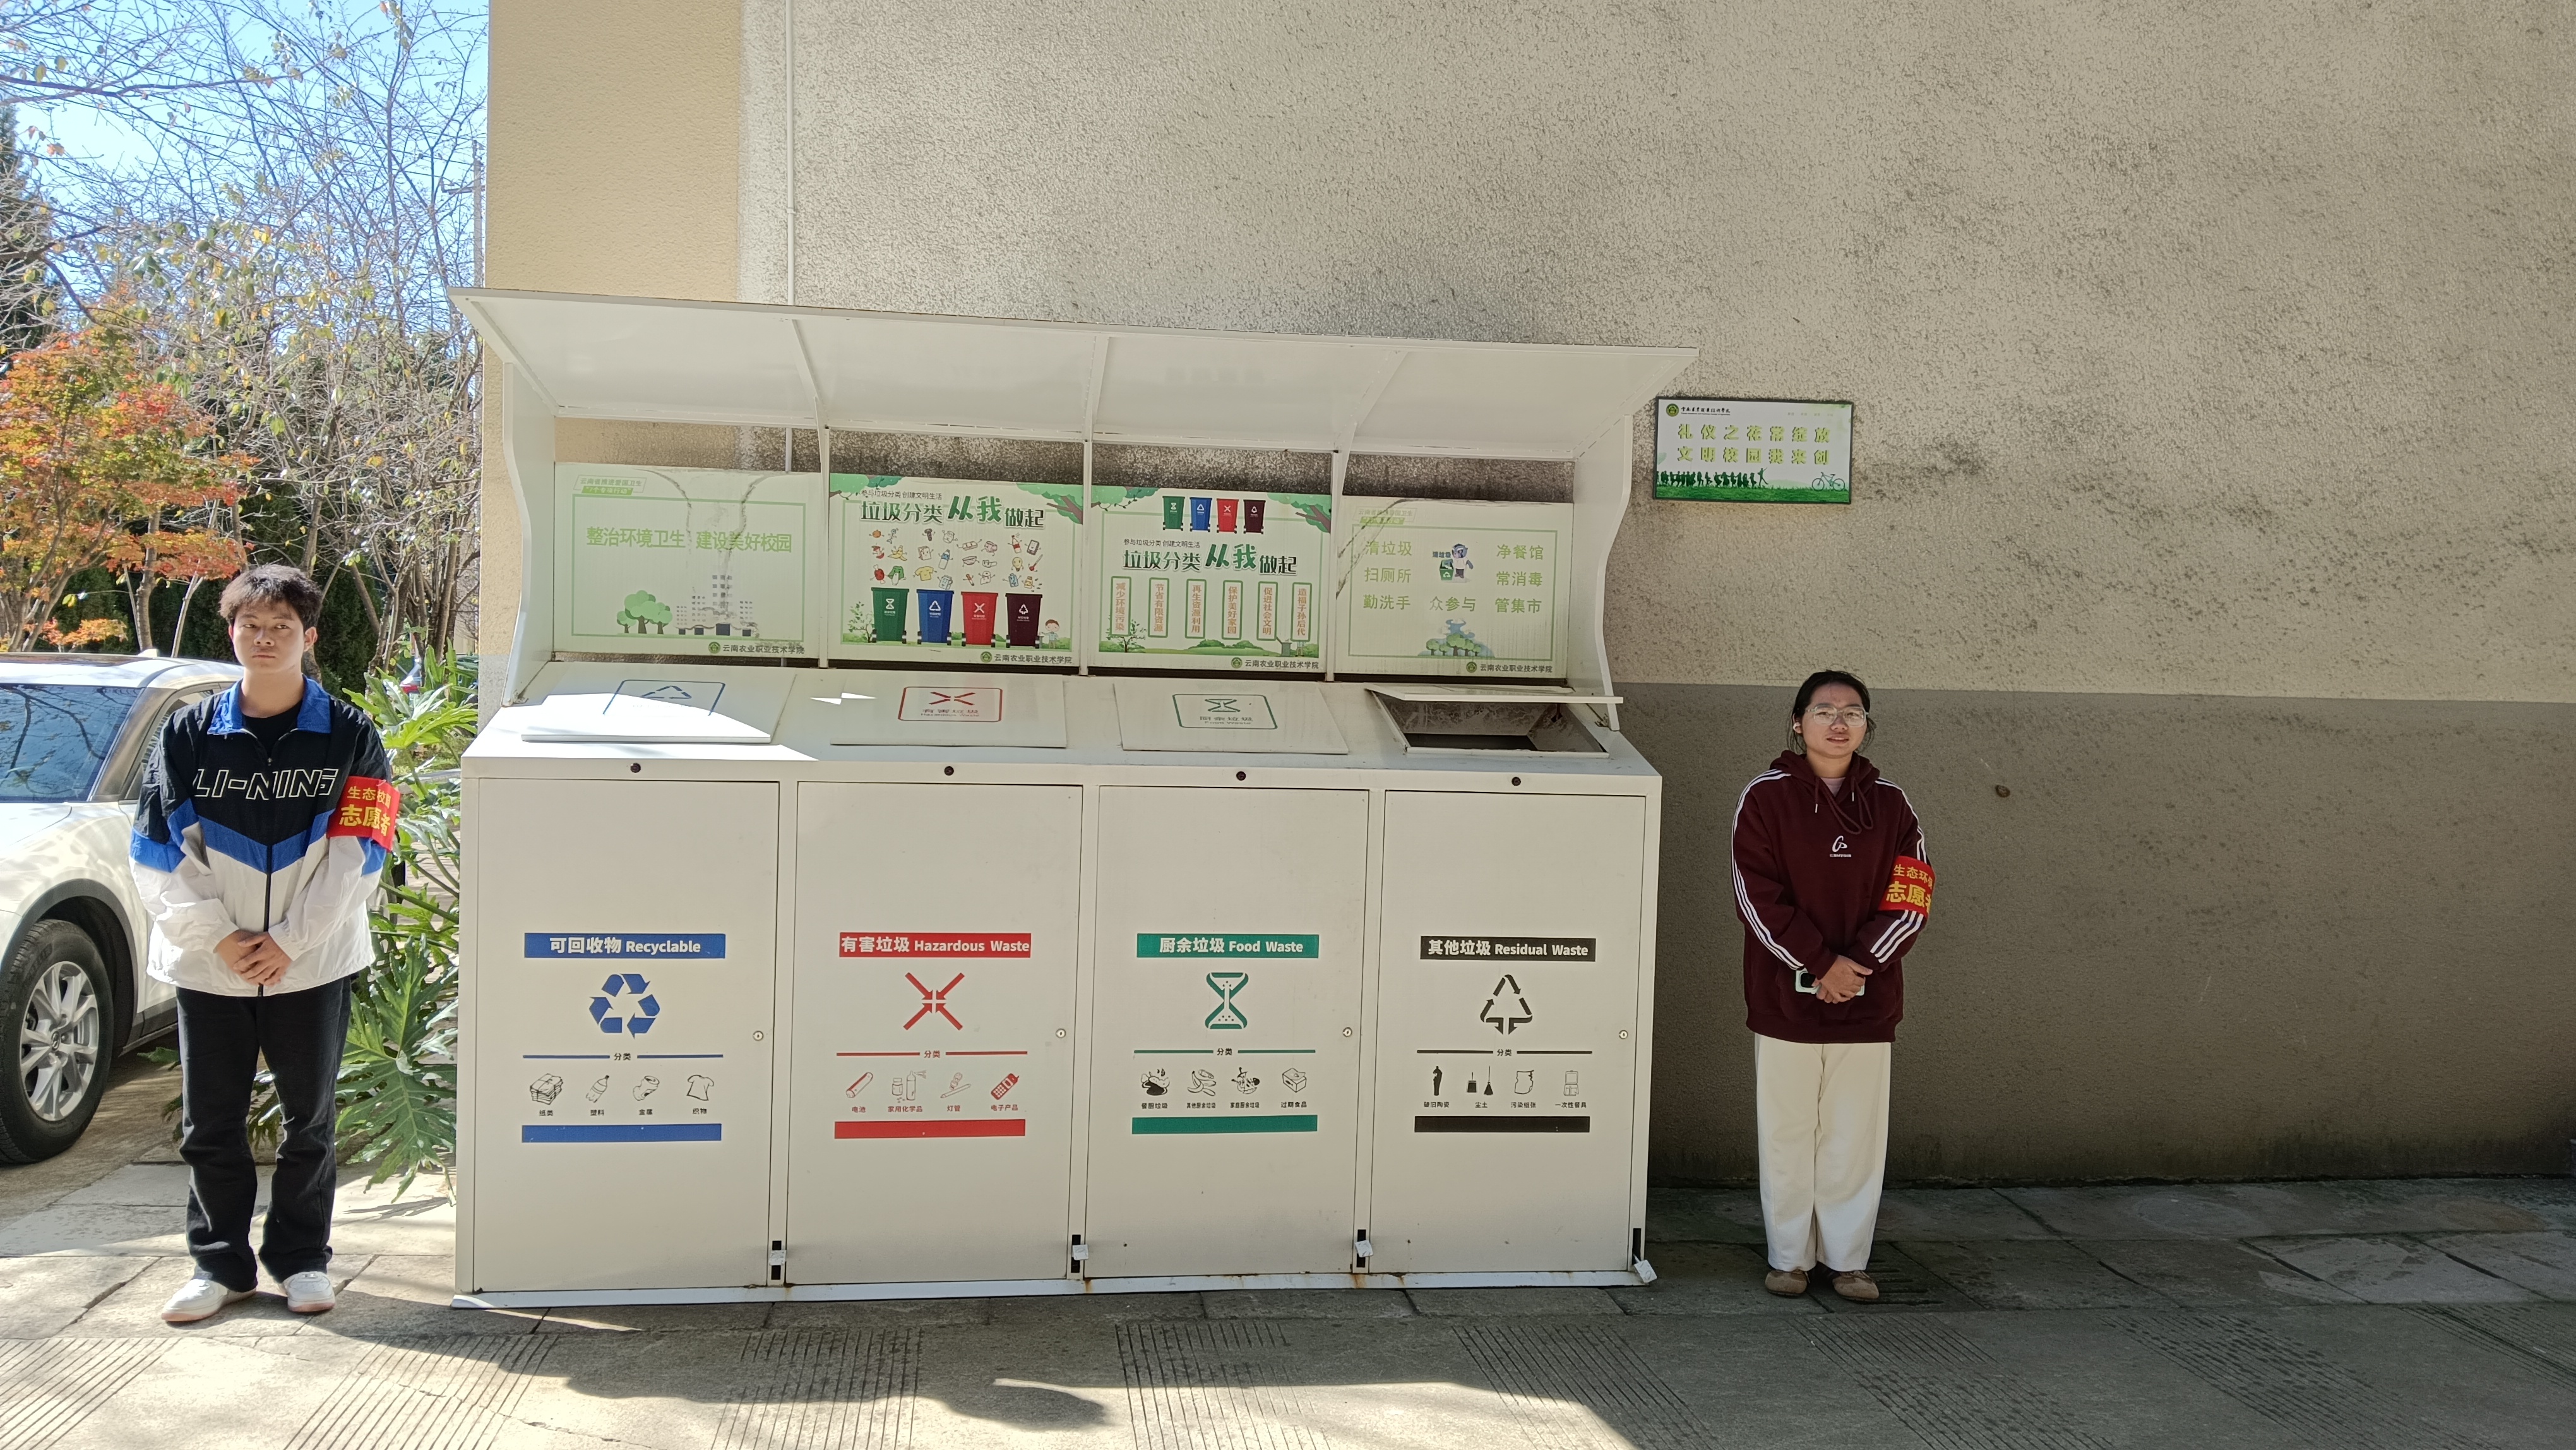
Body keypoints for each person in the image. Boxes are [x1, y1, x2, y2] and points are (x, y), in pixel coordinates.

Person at [129, 565, 398, 1324]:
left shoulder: (351, 735)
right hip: (209, 965)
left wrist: (289, 940)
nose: (266, 638)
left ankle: (303, 1259)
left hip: (312, 962)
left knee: (309, 1119)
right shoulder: (186, 735)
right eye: (252, 624)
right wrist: (217, 938)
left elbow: (363, 851)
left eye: (283, 626)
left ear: (309, 636)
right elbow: (155, 850)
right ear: (232, 633)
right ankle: (219, 1266)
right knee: (209, 1122)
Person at [1729, 669, 1931, 1302]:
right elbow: (1756, 897)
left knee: (1853, 1135)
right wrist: (1821, 965)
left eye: (1853, 712)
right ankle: (1789, 1259)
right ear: (1799, 722)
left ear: (1867, 726)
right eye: (1824, 710)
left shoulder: (1893, 805)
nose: (1838, 723)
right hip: (1785, 999)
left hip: (1868, 1002)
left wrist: (1857, 966)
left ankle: (1848, 1262)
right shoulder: (1765, 798)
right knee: (1788, 1131)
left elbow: (1911, 897)